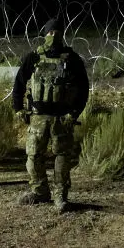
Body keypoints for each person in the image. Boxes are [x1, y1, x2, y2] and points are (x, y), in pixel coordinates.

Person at [11, 18, 90, 213]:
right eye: (49, 32)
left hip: (62, 118)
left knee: (62, 158)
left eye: (57, 32)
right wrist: (18, 108)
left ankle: (60, 196)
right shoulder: (34, 58)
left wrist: (74, 113)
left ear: (62, 34)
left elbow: (83, 89)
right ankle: (39, 192)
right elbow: (19, 84)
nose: (53, 35)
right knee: (33, 156)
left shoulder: (72, 59)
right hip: (38, 117)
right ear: (44, 34)